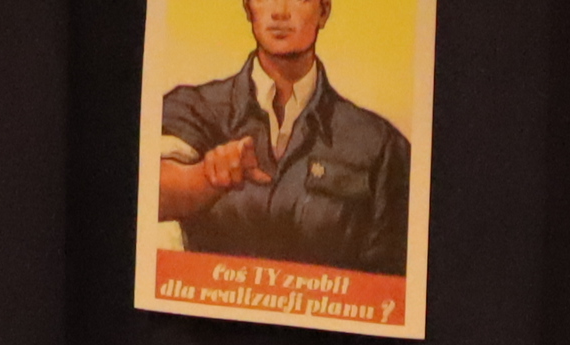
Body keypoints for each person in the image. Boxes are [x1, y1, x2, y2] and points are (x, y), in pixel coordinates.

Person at [156, 0, 412, 278]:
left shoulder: (380, 145)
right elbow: (150, 190)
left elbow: (394, 282)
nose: (279, 12)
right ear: (248, 8)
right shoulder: (193, 108)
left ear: (324, 11)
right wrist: (206, 177)